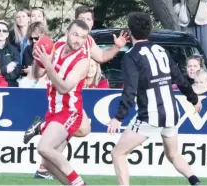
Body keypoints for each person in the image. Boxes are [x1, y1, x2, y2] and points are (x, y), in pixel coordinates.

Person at [106, 12, 203, 186]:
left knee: (118, 153)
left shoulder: (131, 56)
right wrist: (194, 99)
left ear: (130, 31)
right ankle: (195, 182)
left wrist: (118, 117)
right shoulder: (161, 50)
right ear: (149, 30)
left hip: (150, 114)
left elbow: (130, 90)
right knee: (173, 154)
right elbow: (180, 79)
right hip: (172, 112)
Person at [23, 5, 128, 143]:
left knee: (81, 129)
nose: (85, 22)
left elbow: (102, 57)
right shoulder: (63, 42)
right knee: (70, 130)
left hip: (73, 91)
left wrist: (117, 47)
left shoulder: (87, 40)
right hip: (62, 94)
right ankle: (48, 150)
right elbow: (44, 70)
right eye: (82, 19)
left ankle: (44, 137)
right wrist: (42, 66)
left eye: (88, 19)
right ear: (75, 23)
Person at [32, 20, 91, 186]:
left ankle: (80, 184)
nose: (78, 40)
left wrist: (48, 64)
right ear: (67, 32)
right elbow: (38, 73)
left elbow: (64, 88)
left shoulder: (82, 61)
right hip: (53, 111)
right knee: (48, 163)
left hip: (70, 111)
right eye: (75, 35)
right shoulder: (56, 46)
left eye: (83, 37)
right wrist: (38, 60)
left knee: (44, 147)